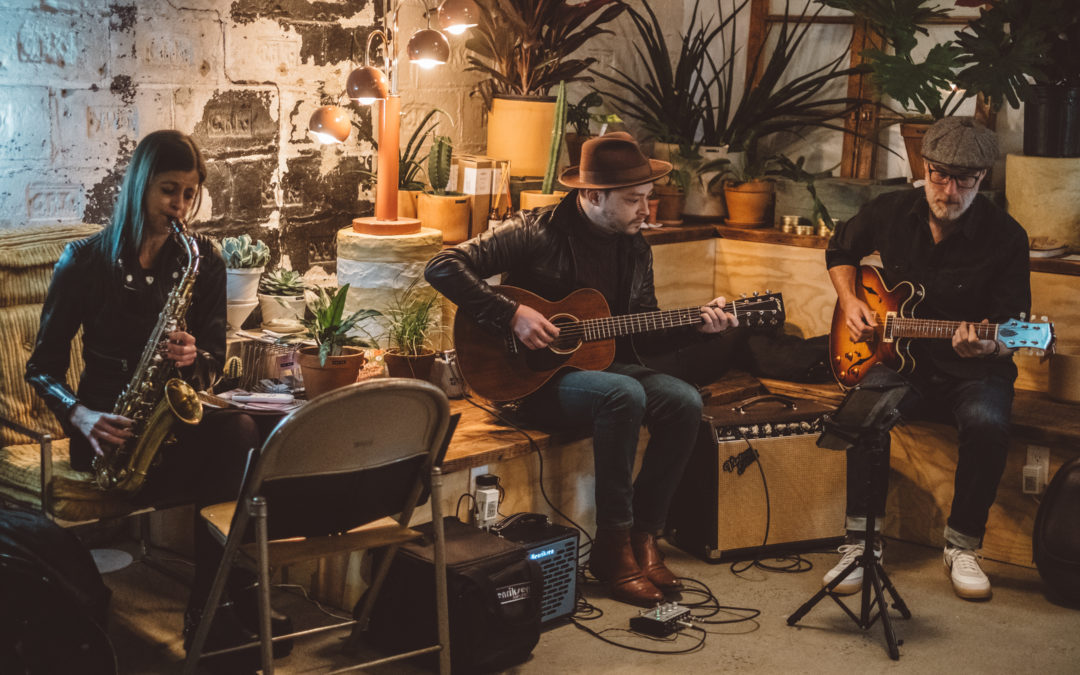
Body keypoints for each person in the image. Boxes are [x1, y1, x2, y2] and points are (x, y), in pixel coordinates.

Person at [425, 132, 740, 606]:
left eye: (648, 199)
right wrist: (511, 313)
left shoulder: (634, 247)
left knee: (683, 400)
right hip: (525, 383)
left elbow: (643, 330)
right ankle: (612, 546)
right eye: (634, 200)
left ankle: (644, 538)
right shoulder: (535, 230)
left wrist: (700, 327)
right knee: (623, 395)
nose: (645, 211)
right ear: (592, 196)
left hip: (598, 375)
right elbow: (442, 265)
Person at [24, 130, 285, 671]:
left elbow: (214, 362)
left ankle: (207, 610)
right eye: (170, 190)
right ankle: (229, 604)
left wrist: (196, 358)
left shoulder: (200, 260)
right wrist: (82, 415)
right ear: (141, 184)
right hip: (108, 437)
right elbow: (41, 369)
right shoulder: (84, 261)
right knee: (230, 464)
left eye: (191, 193)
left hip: (173, 425)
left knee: (246, 436)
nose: (181, 206)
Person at [824, 116, 1030, 600]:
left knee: (987, 424)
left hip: (972, 368)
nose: (949, 190)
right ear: (924, 167)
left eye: (965, 180)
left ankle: (962, 545)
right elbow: (840, 249)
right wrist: (852, 301)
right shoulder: (893, 210)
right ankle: (861, 542)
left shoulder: (1006, 236)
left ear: (983, 179)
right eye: (940, 175)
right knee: (861, 412)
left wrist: (988, 344)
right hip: (899, 360)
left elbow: (1013, 330)